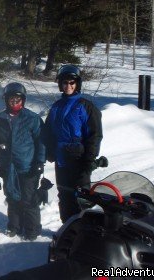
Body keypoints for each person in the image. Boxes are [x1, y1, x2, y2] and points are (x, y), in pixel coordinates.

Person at [46, 64, 103, 223]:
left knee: (81, 198)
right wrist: (49, 150)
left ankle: (83, 234)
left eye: (72, 83)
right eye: (65, 83)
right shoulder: (56, 107)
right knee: (64, 195)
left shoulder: (86, 106)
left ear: (77, 84)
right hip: (62, 160)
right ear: (60, 84)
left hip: (79, 160)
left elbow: (95, 135)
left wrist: (89, 158)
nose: (68, 86)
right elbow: (48, 131)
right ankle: (67, 230)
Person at [0, 82, 46, 241]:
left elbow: (40, 142)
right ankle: (14, 226)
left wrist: (40, 162)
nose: (14, 102)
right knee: (12, 197)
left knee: (29, 200)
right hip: (8, 166)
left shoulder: (32, 118)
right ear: (6, 100)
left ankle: (32, 229)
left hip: (27, 166)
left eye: (18, 99)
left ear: (23, 100)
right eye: (11, 99)